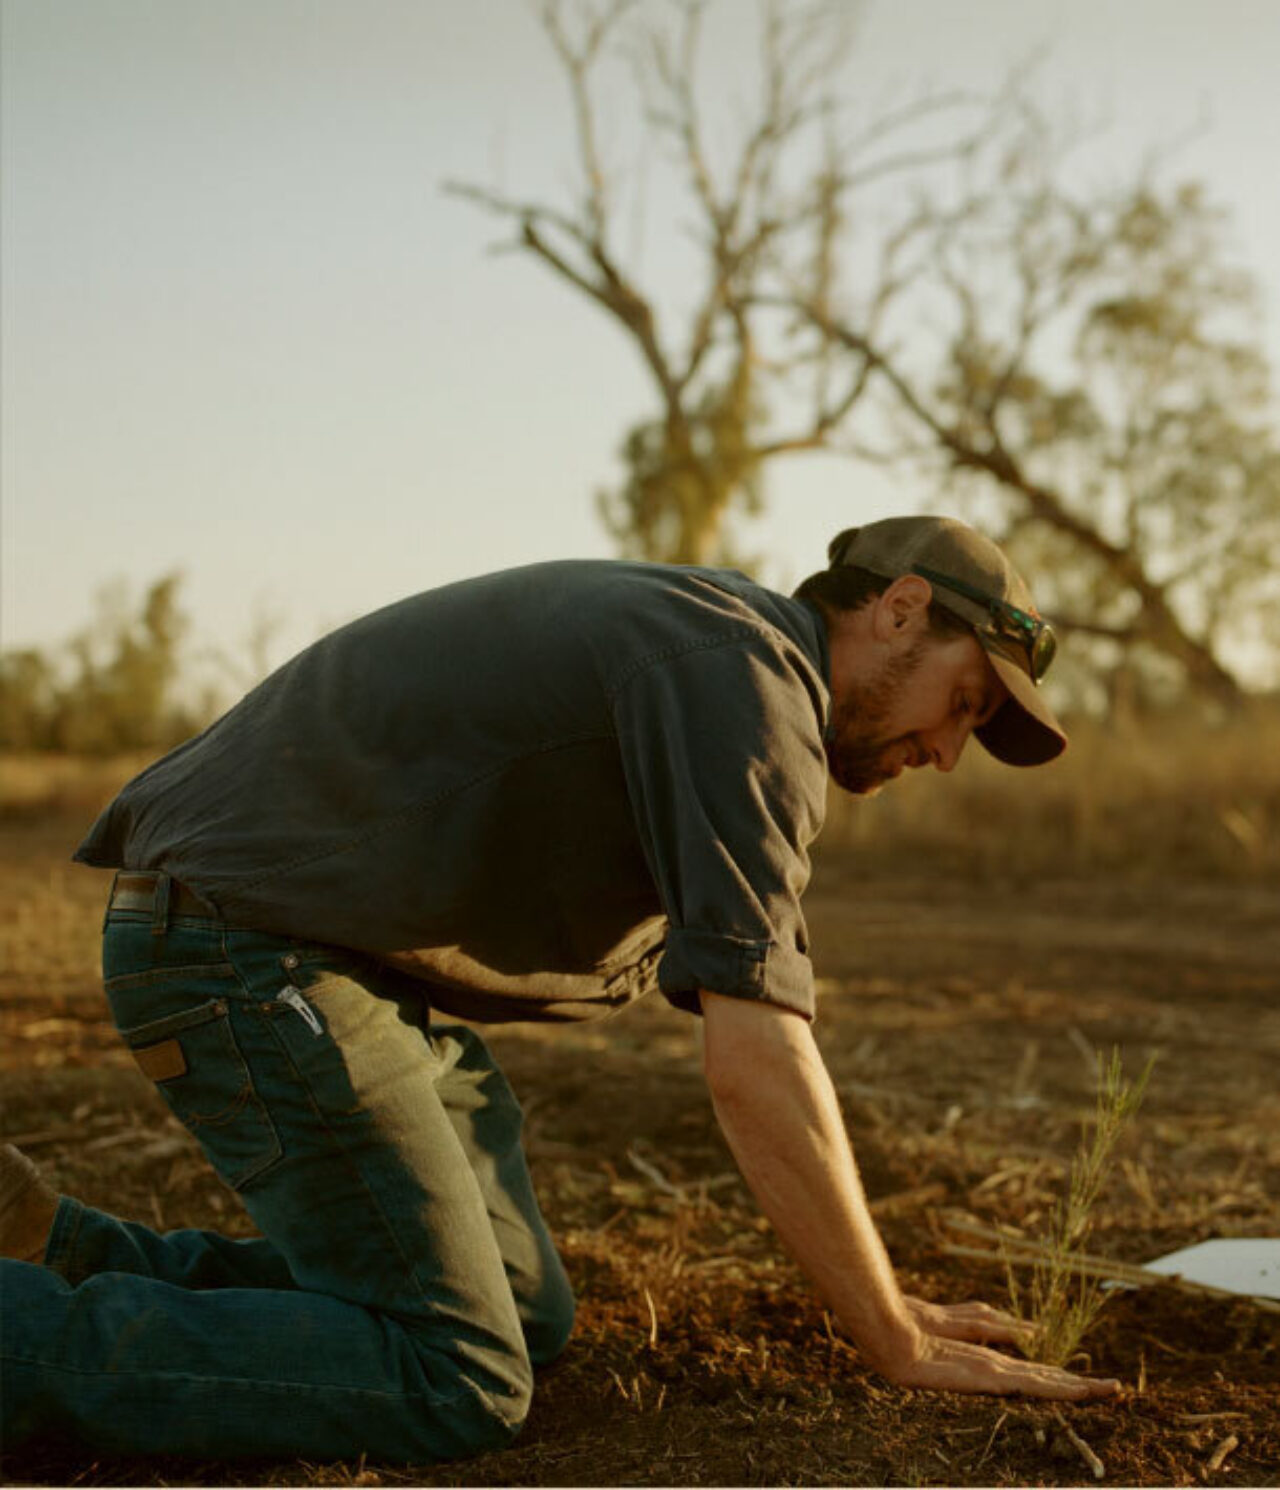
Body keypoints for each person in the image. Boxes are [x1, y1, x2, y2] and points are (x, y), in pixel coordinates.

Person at [0, 515, 1119, 1463]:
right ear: (900, 607)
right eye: (964, 701)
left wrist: (886, 1298)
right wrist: (892, 1332)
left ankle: (60, 1248)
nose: (947, 750)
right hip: (243, 950)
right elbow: (756, 1052)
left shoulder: (726, 661)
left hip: (320, 954)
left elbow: (754, 963)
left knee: (523, 1314)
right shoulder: (737, 682)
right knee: (459, 1369)